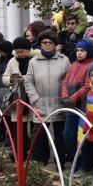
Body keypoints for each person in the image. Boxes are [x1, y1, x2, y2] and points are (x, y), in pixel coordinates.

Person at [24, 30, 70, 165]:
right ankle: (39, 160)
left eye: (50, 42)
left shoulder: (64, 60)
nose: (47, 45)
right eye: (44, 42)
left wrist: (65, 96)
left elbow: (68, 79)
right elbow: (28, 81)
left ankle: (59, 160)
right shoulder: (33, 62)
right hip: (40, 103)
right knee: (39, 135)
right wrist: (35, 98)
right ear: (40, 44)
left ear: (55, 44)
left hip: (59, 103)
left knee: (60, 135)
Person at [60, 38, 93, 171]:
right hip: (71, 106)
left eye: (82, 51)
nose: (79, 53)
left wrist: (73, 98)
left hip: (84, 107)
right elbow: (65, 82)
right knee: (68, 134)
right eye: (78, 50)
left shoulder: (90, 66)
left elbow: (87, 86)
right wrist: (64, 96)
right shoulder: (73, 65)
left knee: (83, 136)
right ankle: (76, 160)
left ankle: (85, 165)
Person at [2, 37, 33, 158]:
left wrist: (24, 79)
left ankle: (32, 151)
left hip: (31, 96)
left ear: (28, 50)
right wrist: (10, 79)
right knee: (19, 128)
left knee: (35, 126)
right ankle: (19, 153)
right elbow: (4, 77)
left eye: (22, 51)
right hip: (18, 97)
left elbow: (36, 77)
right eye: (17, 52)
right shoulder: (12, 61)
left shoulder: (34, 60)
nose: (19, 54)